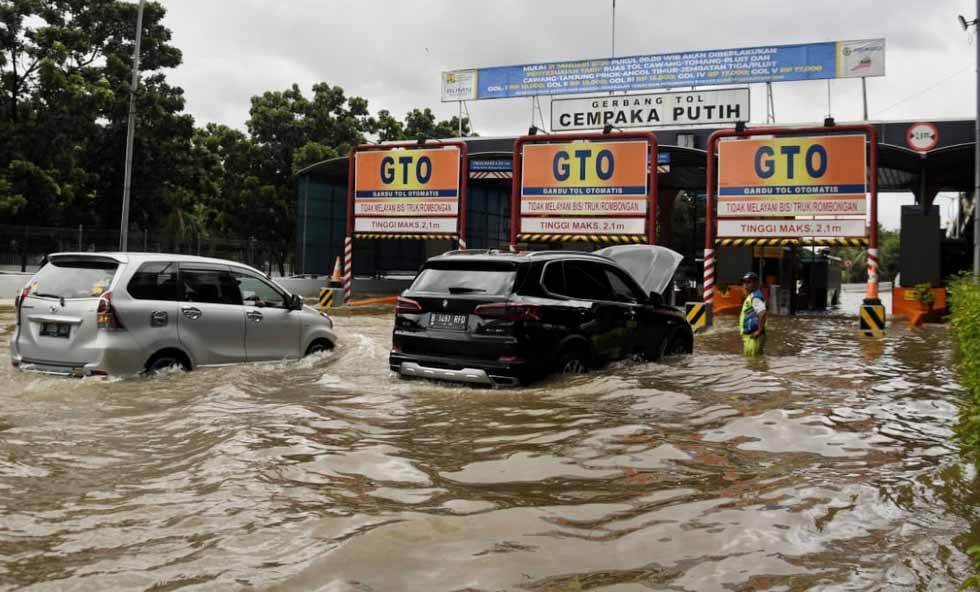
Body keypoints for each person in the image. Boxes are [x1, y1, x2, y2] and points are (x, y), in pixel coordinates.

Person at [739, 272, 767, 356]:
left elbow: (762, 313)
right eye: (744, 282)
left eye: (748, 282)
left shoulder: (755, 297)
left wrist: (759, 331)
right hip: (750, 335)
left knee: (752, 361)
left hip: (753, 336)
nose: (745, 285)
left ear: (755, 283)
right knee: (754, 361)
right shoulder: (751, 296)